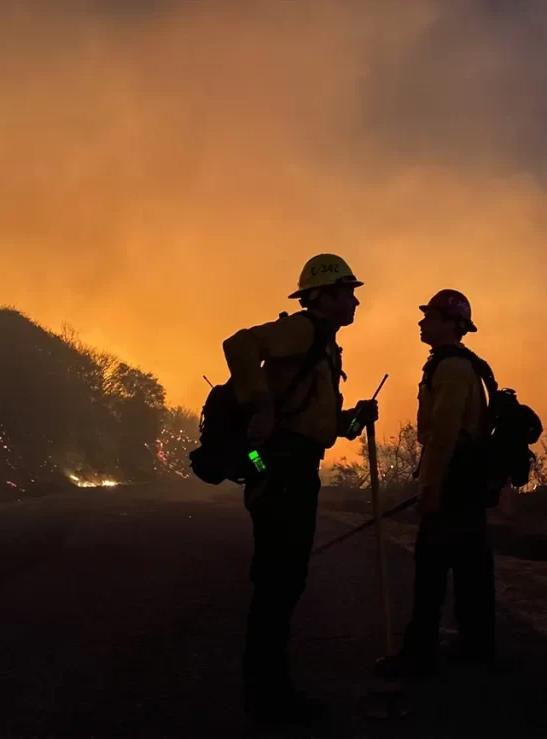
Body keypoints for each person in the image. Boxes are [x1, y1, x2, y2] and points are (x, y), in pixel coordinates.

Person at [222, 253, 379, 724]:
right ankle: (268, 697)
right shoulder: (304, 330)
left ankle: (270, 688)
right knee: (278, 580)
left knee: (284, 580)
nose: (354, 301)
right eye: (348, 292)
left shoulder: (327, 346)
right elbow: (239, 345)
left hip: (296, 466)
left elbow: (319, 422)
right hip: (282, 469)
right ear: (323, 296)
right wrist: (261, 404)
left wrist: (352, 420)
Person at [376, 288, 495, 678]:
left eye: (430, 316)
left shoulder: (451, 368)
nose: (421, 322)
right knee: (469, 568)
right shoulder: (459, 366)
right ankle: (476, 647)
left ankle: (419, 652)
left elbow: (444, 432)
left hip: (452, 485)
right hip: (467, 486)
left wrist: (431, 487)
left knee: (430, 569)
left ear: (451, 324)